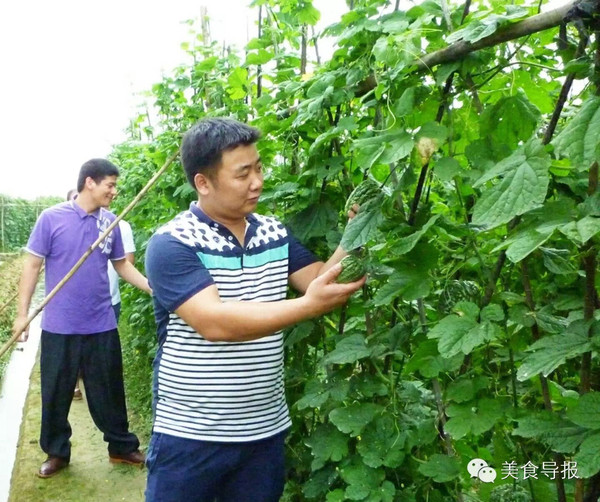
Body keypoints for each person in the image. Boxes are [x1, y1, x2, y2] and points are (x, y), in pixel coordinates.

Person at [144, 117, 366, 502]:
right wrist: (307, 306)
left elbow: (321, 279)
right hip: (190, 436)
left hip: (263, 433)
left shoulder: (274, 233)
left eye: (259, 168)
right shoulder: (171, 243)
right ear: (203, 182)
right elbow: (214, 322)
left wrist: (357, 231)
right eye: (243, 173)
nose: (257, 182)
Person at [12, 159, 151, 478]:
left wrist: (151, 287)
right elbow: (32, 266)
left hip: (101, 321)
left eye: (115, 186)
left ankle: (121, 447)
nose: (114, 191)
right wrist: (23, 316)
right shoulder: (52, 218)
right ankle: (57, 451)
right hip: (60, 325)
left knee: (109, 389)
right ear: (90, 182)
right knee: (57, 390)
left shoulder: (110, 223)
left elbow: (122, 265)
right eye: (110, 185)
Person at [66, 188, 137, 401]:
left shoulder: (119, 225)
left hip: (108, 301)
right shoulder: (68, 224)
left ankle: (96, 389)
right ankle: (75, 385)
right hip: (75, 302)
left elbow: (126, 262)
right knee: (74, 347)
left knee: (99, 352)